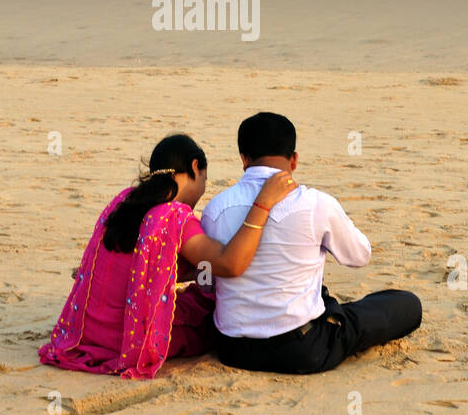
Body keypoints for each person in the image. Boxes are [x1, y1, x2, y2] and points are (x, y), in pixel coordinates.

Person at [39, 133, 297, 379]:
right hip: (128, 339)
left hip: (90, 333)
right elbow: (230, 263)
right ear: (195, 166)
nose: (203, 190)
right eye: (204, 180)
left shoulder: (123, 202)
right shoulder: (173, 217)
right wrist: (262, 204)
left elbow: (142, 267)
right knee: (210, 304)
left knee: (198, 287)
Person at [200, 112, 422, 374]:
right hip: (301, 351)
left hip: (233, 350)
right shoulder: (316, 203)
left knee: (319, 291)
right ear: (293, 160)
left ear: (244, 159)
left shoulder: (215, 209)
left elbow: (211, 280)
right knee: (407, 304)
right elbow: (359, 256)